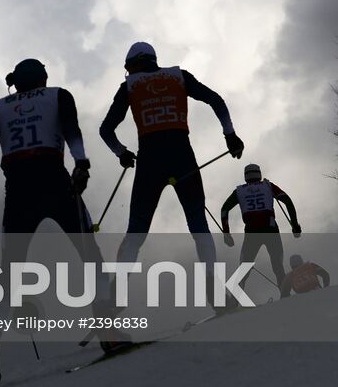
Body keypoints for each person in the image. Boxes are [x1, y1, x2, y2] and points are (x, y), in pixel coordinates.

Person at [0, 58, 120, 387]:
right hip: (56, 181)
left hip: (18, 189)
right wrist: (83, 163)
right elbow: (73, 131)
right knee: (89, 253)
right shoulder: (58, 95)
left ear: (15, 83)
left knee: (8, 273)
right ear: (43, 78)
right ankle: (110, 332)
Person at [99, 42, 244, 268]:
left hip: (150, 161)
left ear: (135, 63)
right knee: (199, 225)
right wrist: (230, 135)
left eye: (129, 67)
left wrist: (122, 153)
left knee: (136, 230)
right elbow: (216, 100)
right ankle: (213, 286)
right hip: (182, 158)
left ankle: (118, 289)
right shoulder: (179, 76)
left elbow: (105, 130)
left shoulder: (129, 86)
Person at [221, 163, 300, 299]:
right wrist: (294, 225)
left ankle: (234, 300)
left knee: (245, 266)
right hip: (271, 229)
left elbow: (224, 209)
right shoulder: (268, 186)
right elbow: (288, 201)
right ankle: (285, 293)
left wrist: (226, 233)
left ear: (246, 176)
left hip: (252, 231)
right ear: (259, 173)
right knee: (277, 264)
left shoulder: (239, 191)